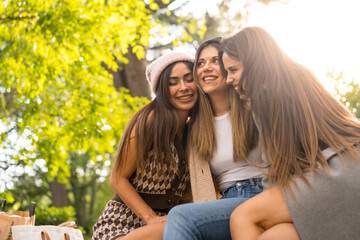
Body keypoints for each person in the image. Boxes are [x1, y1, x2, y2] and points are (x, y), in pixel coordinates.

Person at [220, 26, 360, 240]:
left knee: (243, 216)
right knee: (278, 234)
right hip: (350, 163)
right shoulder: (299, 74)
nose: (228, 80)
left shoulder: (263, 95)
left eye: (233, 70)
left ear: (252, 63)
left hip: (337, 175)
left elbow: (279, 169)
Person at [163, 37, 264, 240]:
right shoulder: (196, 127)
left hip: (265, 192)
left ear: (229, 66)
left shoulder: (253, 105)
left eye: (215, 61)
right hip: (227, 202)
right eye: (200, 63)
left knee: (181, 217)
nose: (205, 68)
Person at [92, 51, 199, 240]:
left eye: (189, 79)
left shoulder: (195, 131)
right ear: (162, 90)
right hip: (121, 224)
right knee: (185, 227)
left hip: (166, 224)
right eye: (173, 82)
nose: (183, 87)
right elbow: (117, 178)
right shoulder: (151, 121)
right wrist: (150, 217)